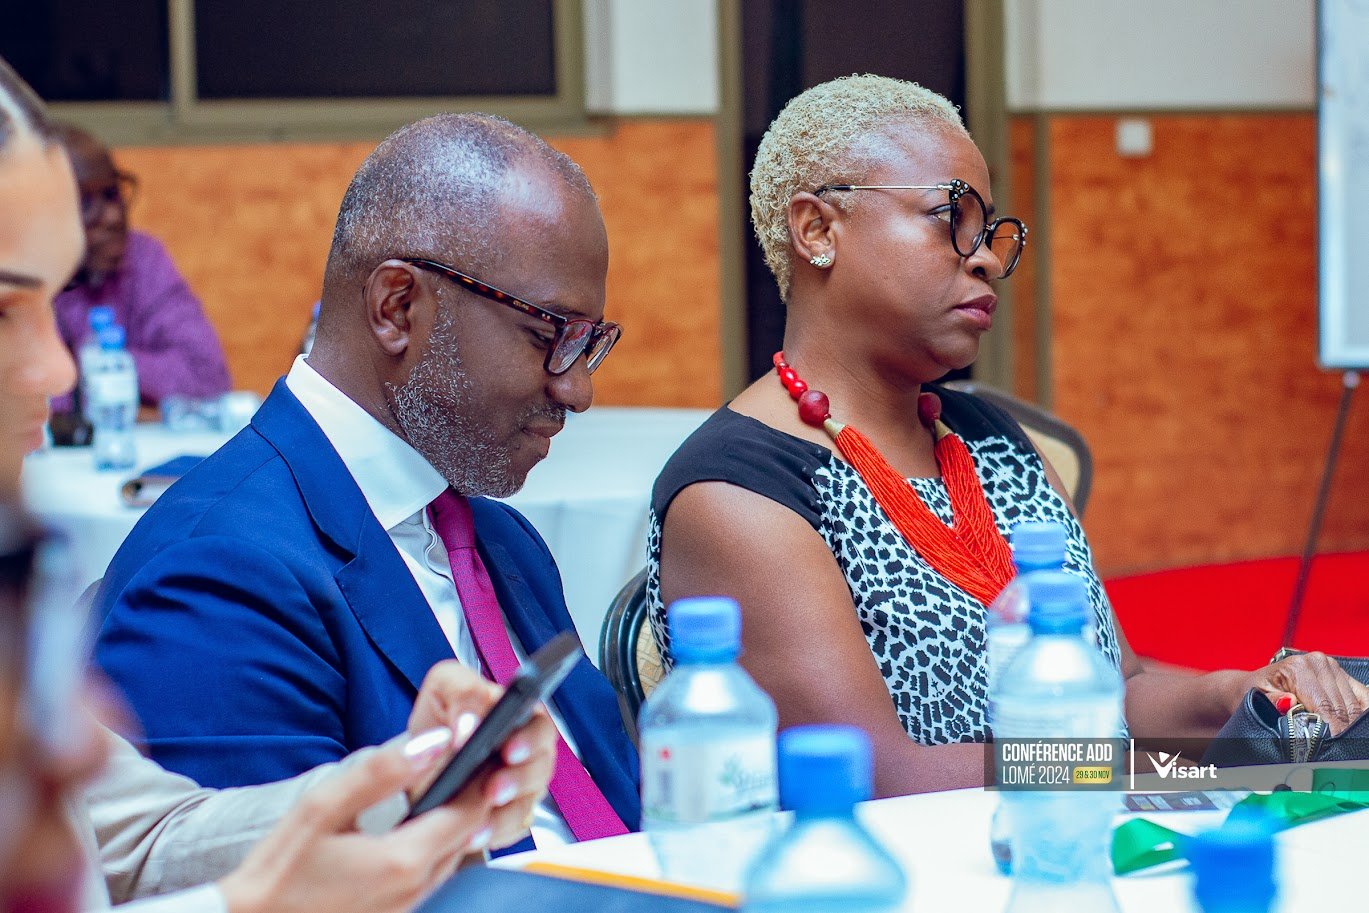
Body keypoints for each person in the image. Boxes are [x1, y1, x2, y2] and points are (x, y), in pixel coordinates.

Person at [648, 74, 1369, 798]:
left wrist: (1237, 693)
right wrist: (1162, 769)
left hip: (1073, 832)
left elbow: (1116, 690)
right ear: (817, 230)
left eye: (989, 231)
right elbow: (882, 776)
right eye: (948, 217)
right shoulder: (740, 491)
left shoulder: (994, 443)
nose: (987, 258)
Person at [0, 57, 557, 913]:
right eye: (6, 309)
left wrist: (399, 785)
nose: (60, 366)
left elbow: (137, 837)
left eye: (57, 301)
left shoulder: (500, 535)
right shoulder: (225, 555)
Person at [94, 112, 638, 850]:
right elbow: (285, 887)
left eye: (588, 344)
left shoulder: (502, 541)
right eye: (548, 335)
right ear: (397, 307)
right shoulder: (221, 572)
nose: (577, 389)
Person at [48, 122, 231, 416]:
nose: (113, 217)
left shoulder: (143, 258)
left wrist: (105, 364)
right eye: (86, 202)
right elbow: (26, 398)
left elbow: (208, 377)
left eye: (112, 193)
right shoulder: (25, 277)